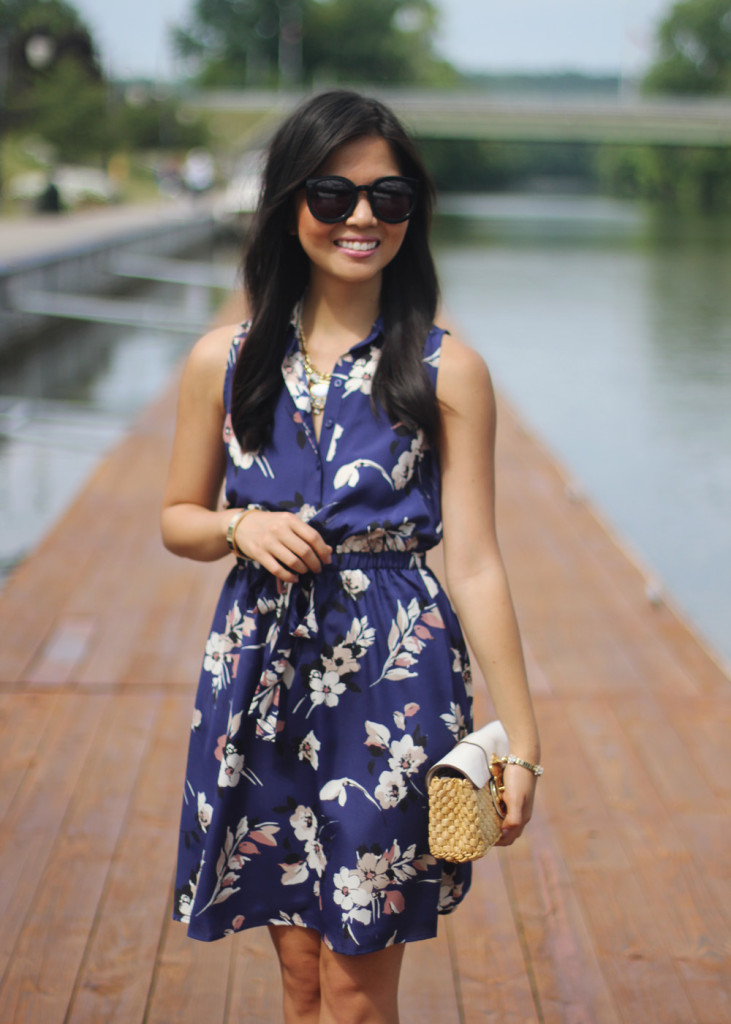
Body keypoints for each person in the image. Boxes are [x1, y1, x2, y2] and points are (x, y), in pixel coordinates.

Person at [161, 90, 541, 1024]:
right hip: (259, 678)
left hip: (390, 686)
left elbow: (478, 563)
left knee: (358, 986)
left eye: (389, 197)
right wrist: (237, 528)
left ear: (414, 212)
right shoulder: (227, 358)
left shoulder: (449, 371)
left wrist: (523, 746)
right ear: (291, 205)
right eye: (333, 195)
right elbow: (177, 517)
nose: (362, 217)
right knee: (298, 980)